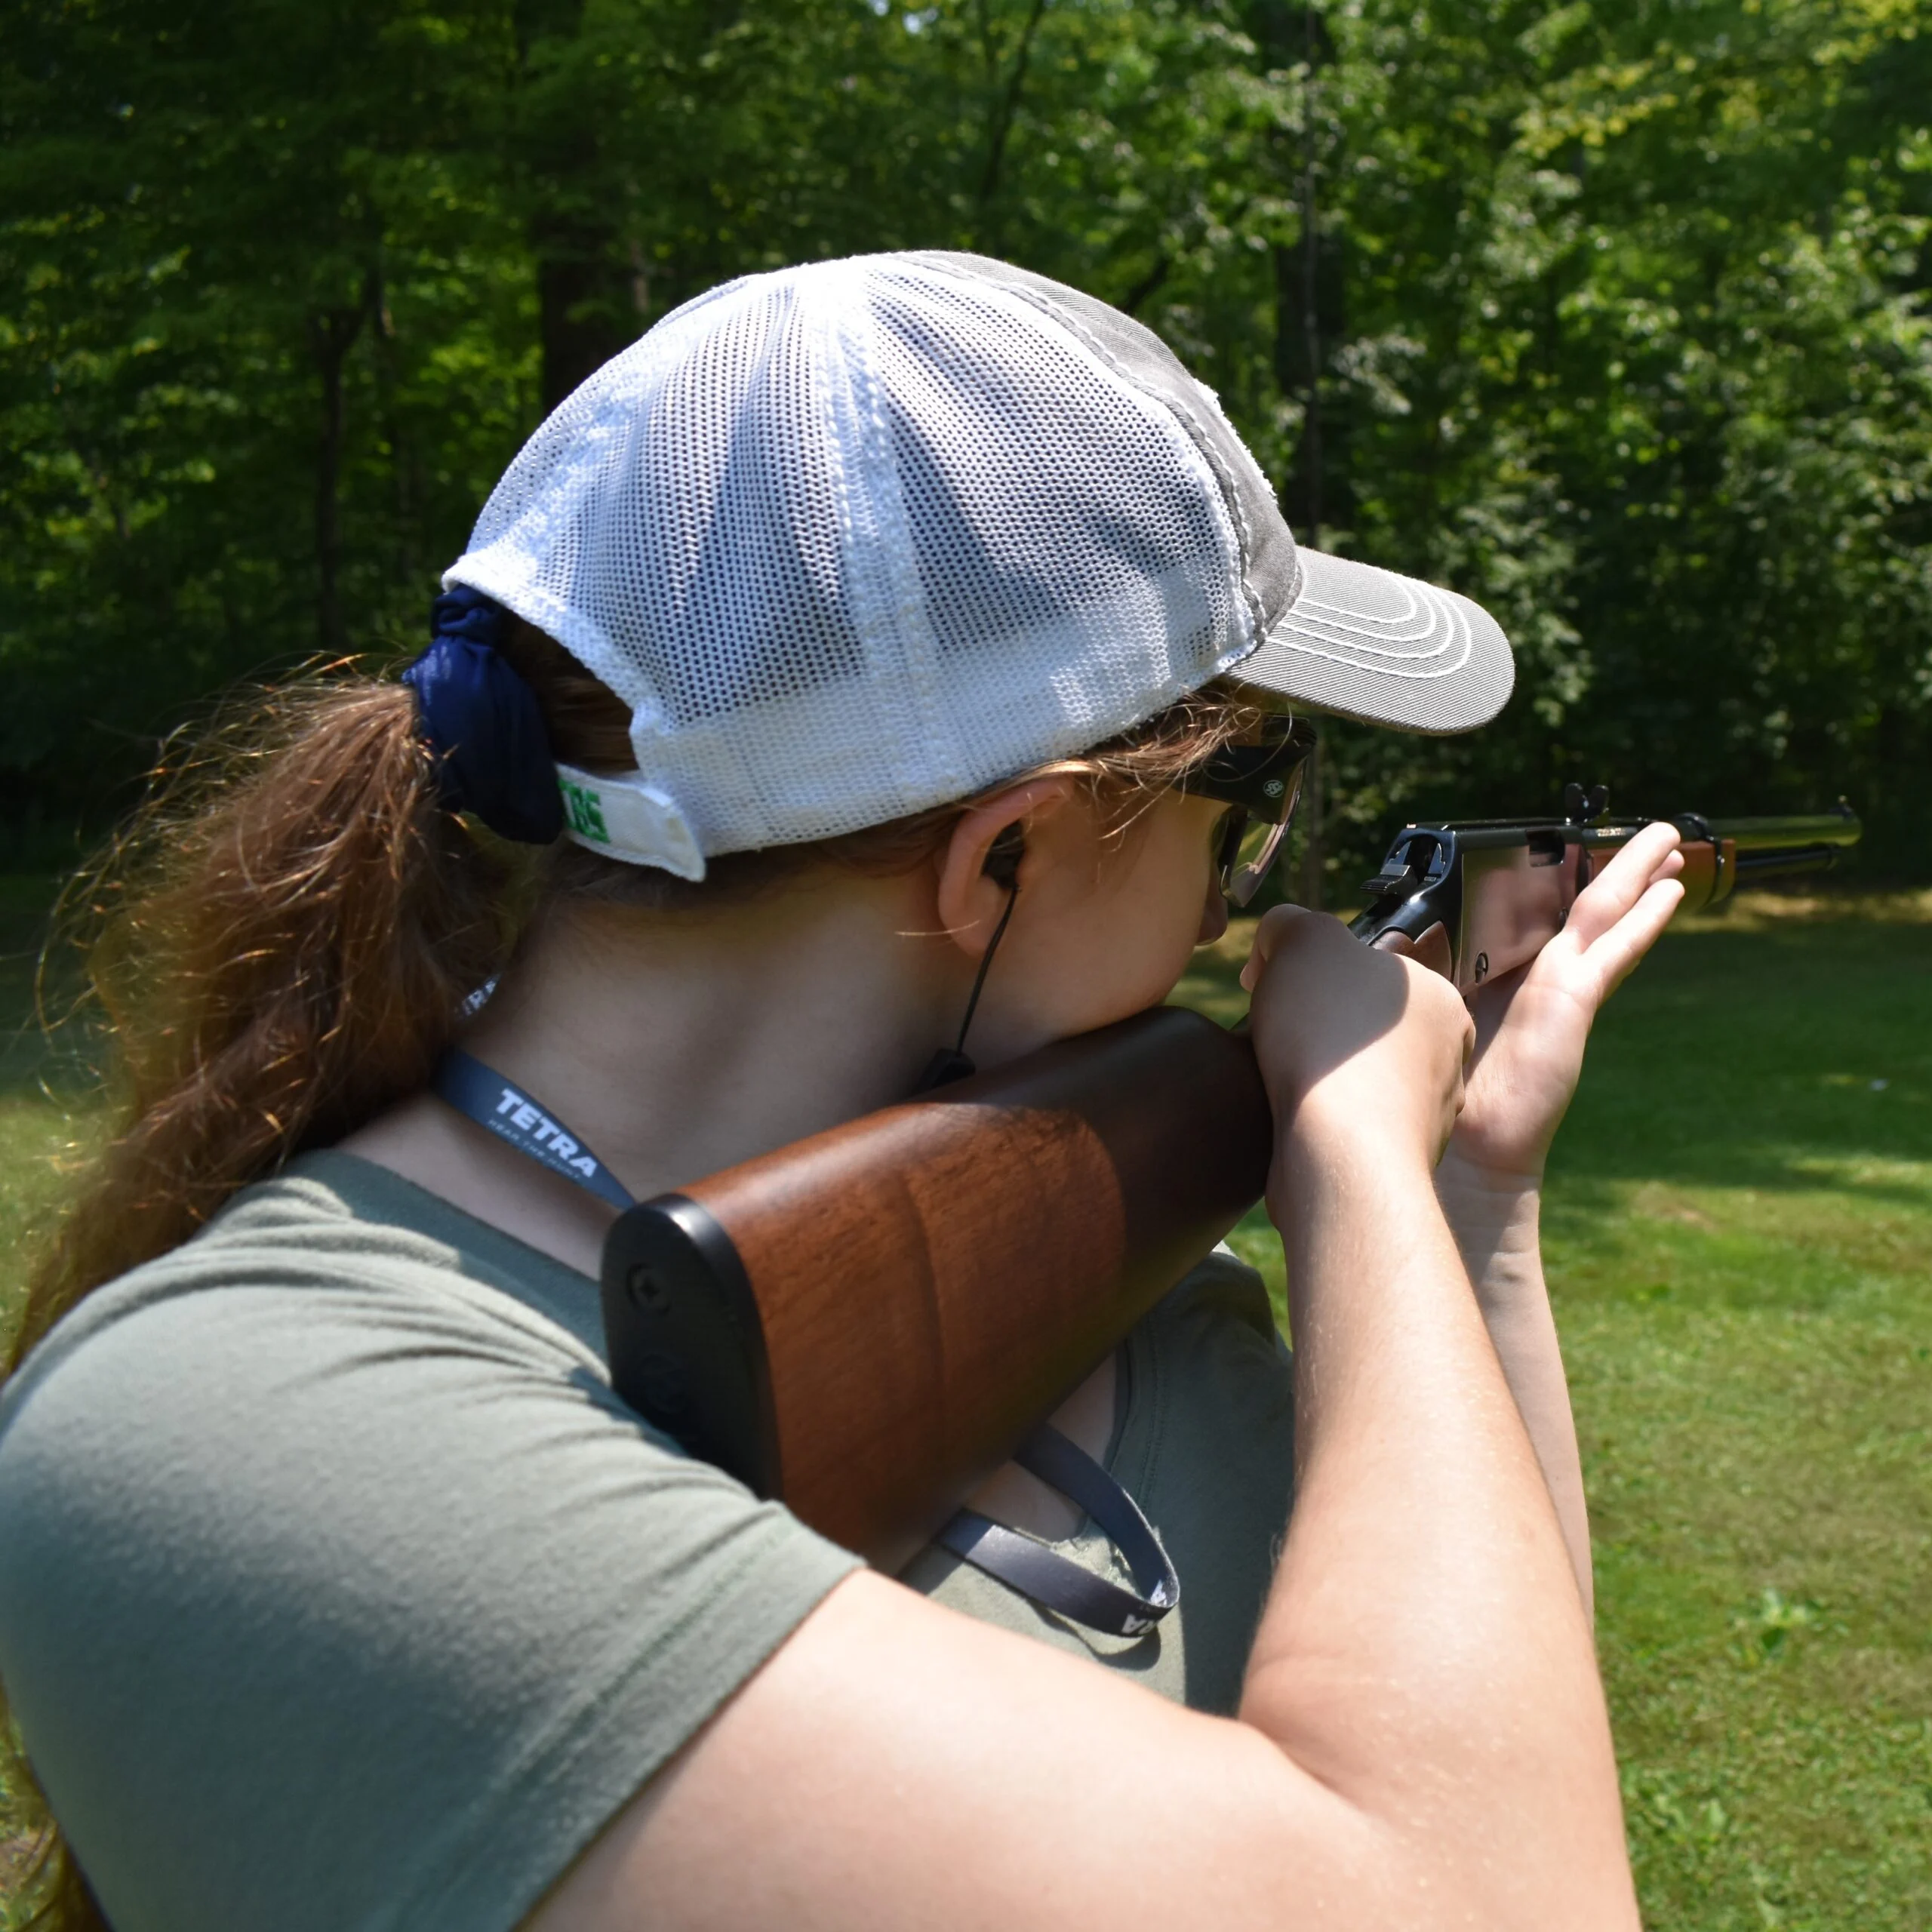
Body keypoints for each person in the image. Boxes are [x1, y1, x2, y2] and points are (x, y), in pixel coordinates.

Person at [0, 251, 1685, 1931]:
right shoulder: (233, 1425)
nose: (1222, 912)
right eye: (1239, 816)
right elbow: (1501, 1892)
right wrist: (1354, 1157)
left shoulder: (1108, 1271)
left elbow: (1508, 1744)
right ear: (1007, 853)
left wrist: (1467, 1206)